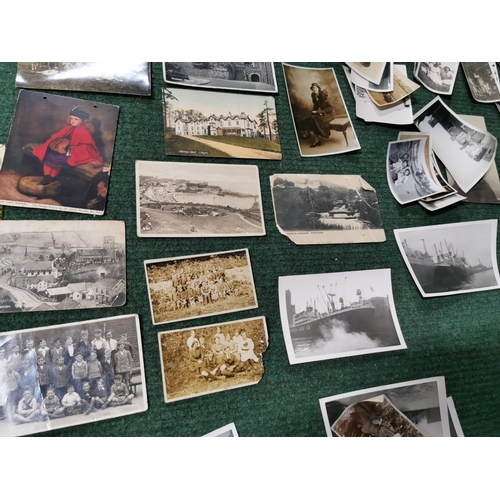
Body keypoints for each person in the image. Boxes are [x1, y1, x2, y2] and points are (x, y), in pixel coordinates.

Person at [32, 107, 103, 186]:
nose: (72, 121)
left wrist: (71, 150)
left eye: (76, 119)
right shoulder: (71, 128)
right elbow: (58, 136)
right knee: (48, 155)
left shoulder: (83, 131)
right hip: (69, 152)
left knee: (54, 159)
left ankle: (51, 177)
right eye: (72, 118)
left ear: (83, 121)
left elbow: (84, 149)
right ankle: (47, 176)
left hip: (80, 155)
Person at [305, 83, 335, 148]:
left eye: (316, 88)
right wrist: (314, 112)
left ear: (318, 88)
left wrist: (321, 111)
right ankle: (311, 135)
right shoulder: (313, 95)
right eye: (313, 88)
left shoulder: (324, 95)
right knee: (311, 118)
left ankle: (317, 139)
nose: (314, 89)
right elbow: (316, 105)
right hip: (321, 113)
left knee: (316, 119)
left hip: (329, 114)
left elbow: (331, 107)